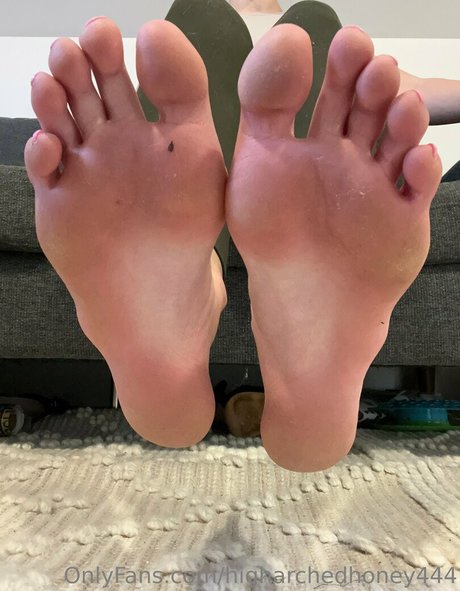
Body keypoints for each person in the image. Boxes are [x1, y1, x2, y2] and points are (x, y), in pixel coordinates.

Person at [24, 0, 456, 472]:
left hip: (281, 187)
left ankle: (222, 288)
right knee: (216, 21)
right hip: (207, 181)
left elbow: (401, 93)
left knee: (298, 28)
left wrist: (400, 101)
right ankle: (237, 297)